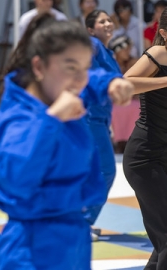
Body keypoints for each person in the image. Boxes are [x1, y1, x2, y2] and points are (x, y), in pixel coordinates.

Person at [0, 12, 117, 269]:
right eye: (71, 68)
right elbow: (15, 180)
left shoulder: (63, 91)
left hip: (73, 239)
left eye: (85, 69)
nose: (81, 79)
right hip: (32, 248)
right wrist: (53, 119)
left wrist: (112, 82)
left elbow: (91, 78)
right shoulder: (21, 114)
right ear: (39, 67)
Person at [82, 9, 134, 239]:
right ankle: (83, 222)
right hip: (91, 118)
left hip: (99, 119)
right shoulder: (93, 44)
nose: (108, 24)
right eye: (102, 21)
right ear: (91, 29)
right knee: (106, 170)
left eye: (109, 20)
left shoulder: (106, 51)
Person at [123, 6, 167, 269]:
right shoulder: (159, 53)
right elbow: (124, 83)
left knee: (161, 242)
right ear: (164, 32)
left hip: (163, 156)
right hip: (145, 157)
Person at [108, 35, 140, 153]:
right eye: (125, 49)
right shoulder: (109, 64)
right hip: (113, 100)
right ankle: (118, 142)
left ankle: (132, 141)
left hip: (133, 99)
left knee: (137, 107)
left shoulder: (134, 63)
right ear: (118, 50)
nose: (128, 52)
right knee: (114, 109)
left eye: (129, 49)